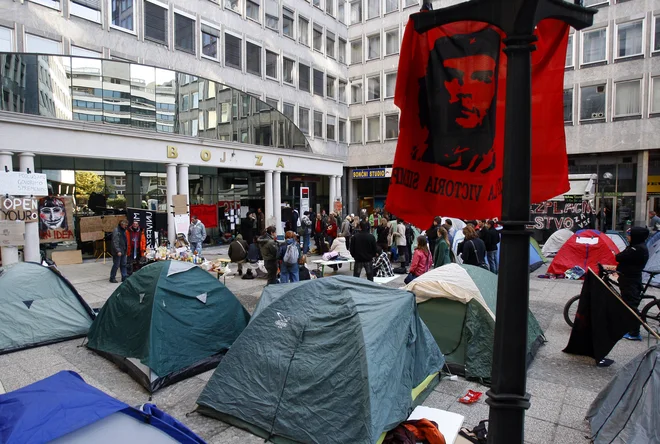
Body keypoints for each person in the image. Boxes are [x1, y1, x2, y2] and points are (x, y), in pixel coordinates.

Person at [617, 226, 649, 342]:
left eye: (630, 235)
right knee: (628, 303)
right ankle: (628, 327)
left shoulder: (637, 249)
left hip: (631, 280)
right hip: (629, 278)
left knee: (631, 306)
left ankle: (635, 333)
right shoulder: (636, 247)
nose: (628, 237)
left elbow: (619, 256)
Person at [110, 219, 128, 283]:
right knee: (116, 264)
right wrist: (118, 250)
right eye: (125, 225)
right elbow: (115, 241)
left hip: (123, 250)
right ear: (121, 224)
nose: (126, 226)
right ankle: (112, 277)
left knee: (123, 264)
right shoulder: (117, 230)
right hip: (118, 251)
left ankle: (124, 276)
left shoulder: (124, 231)